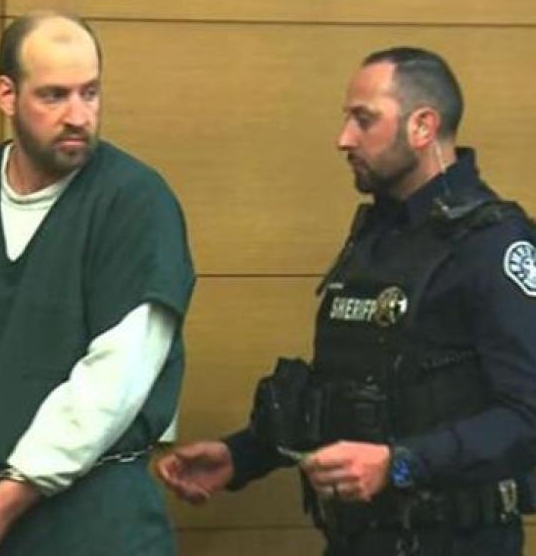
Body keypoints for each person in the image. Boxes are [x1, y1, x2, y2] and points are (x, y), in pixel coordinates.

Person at [156, 47, 536, 555]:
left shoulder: (492, 244)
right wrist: (244, 455)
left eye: (364, 119)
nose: (344, 138)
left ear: (422, 126)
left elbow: (527, 416)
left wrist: (400, 464)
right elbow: (354, 392)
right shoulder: (378, 236)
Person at [0, 10, 195, 556]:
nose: (78, 115)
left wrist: (3, 504)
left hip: (95, 517)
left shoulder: (135, 201)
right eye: (54, 96)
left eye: (90, 93)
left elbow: (113, 382)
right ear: (7, 95)